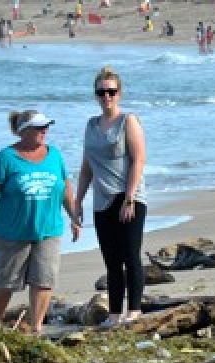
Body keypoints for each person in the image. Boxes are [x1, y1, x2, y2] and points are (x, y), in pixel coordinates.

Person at [0, 110, 79, 334]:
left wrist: (75, 217)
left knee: (44, 280)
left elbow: (65, 188)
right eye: (39, 127)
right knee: (6, 282)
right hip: (12, 233)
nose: (44, 131)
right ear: (23, 131)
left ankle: (37, 327)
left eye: (46, 126)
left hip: (49, 229)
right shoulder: (5, 158)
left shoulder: (55, 155)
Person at [75, 66, 148, 329]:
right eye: (101, 92)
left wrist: (129, 198)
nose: (106, 97)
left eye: (111, 92)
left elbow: (139, 160)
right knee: (111, 260)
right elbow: (86, 168)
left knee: (130, 255)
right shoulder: (91, 125)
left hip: (128, 197)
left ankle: (135, 309)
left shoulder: (128, 121)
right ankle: (114, 313)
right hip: (102, 200)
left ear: (119, 93)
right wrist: (77, 201)